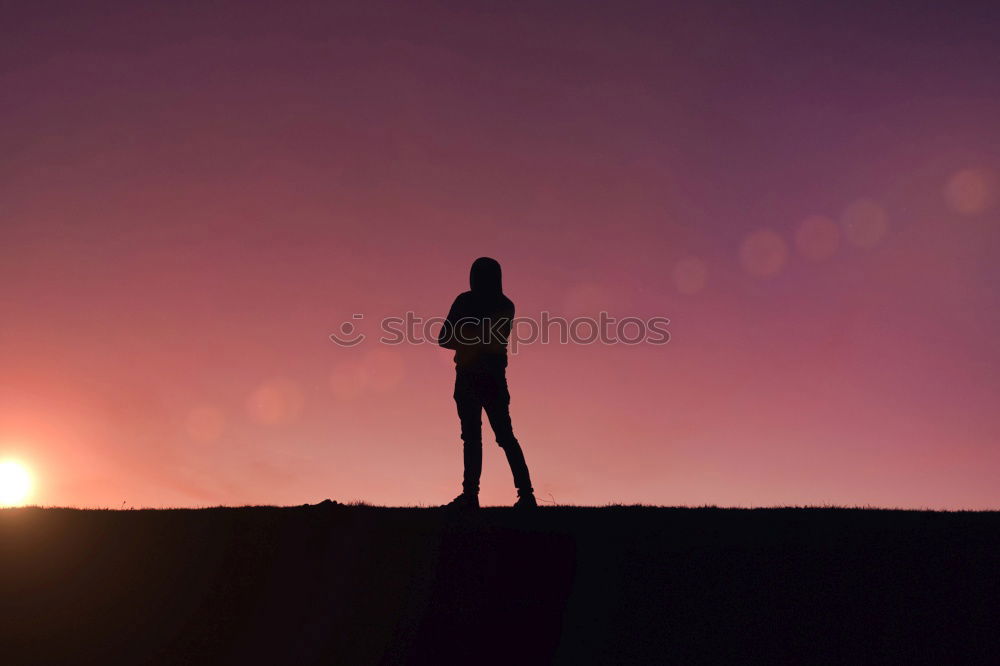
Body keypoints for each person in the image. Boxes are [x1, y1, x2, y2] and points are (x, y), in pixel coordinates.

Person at [438, 257, 536, 509]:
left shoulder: (491, 304)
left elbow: (476, 337)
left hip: (483, 377)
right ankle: (476, 495)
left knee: (497, 437)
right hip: (476, 377)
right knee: (485, 437)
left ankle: (522, 495)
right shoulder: (491, 303)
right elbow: (445, 338)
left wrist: (465, 334)